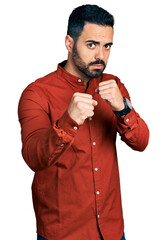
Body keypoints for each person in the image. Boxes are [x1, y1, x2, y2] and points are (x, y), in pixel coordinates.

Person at [18, 4, 149, 240]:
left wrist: (122, 108)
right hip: (63, 233)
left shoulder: (114, 86)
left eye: (107, 46)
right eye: (91, 45)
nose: (101, 55)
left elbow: (141, 142)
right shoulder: (36, 93)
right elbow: (33, 157)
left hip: (111, 230)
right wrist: (68, 121)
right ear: (70, 43)